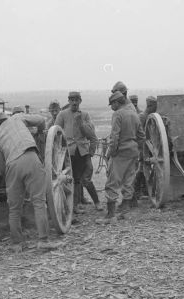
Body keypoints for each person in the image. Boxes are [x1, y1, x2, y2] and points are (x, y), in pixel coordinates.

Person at [0, 112, 61, 253]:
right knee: (39, 202)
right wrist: (40, 133)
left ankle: (17, 244)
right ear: (7, 118)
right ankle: (43, 241)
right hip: (30, 157)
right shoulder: (17, 118)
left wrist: (8, 177)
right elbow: (41, 120)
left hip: (11, 165)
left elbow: (0, 164)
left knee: (14, 208)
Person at [98, 91, 145, 223]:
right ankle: (125, 212)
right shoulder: (134, 114)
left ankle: (111, 216)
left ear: (117, 102)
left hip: (120, 152)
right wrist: (137, 149)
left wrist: (111, 152)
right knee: (129, 181)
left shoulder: (117, 114)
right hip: (133, 151)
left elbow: (114, 137)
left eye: (112, 104)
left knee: (112, 182)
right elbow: (141, 136)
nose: (111, 107)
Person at [55, 91, 101, 213]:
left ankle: (97, 202)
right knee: (72, 180)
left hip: (83, 151)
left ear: (80, 101)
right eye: (72, 100)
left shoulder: (85, 115)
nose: (74, 102)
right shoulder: (62, 115)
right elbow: (56, 133)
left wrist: (91, 152)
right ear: (69, 101)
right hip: (68, 153)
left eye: (77, 100)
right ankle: (73, 207)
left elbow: (91, 134)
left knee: (86, 178)